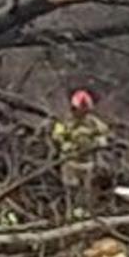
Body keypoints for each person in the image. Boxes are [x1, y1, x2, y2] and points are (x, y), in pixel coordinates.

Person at [51, 87, 111, 218]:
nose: (83, 113)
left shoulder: (92, 122)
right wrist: (66, 144)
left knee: (85, 190)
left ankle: (85, 214)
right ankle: (69, 214)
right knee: (71, 188)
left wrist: (100, 141)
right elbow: (57, 136)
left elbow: (104, 133)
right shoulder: (65, 121)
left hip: (87, 162)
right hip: (70, 161)